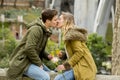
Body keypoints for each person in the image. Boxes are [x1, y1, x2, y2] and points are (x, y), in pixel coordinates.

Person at [7, 8, 58, 80]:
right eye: (55, 20)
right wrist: (39, 63)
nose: (57, 21)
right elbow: (29, 48)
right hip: (24, 62)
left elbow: (38, 49)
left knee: (52, 73)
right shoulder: (36, 29)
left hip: (31, 60)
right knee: (45, 77)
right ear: (47, 21)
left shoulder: (44, 30)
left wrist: (48, 56)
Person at [54, 12, 97, 80]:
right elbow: (74, 52)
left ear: (66, 21)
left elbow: (79, 52)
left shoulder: (72, 35)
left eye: (60, 19)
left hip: (83, 67)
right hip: (77, 67)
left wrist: (65, 66)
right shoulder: (69, 34)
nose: (57, 21)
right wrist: (64, 55)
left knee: (58, 79)